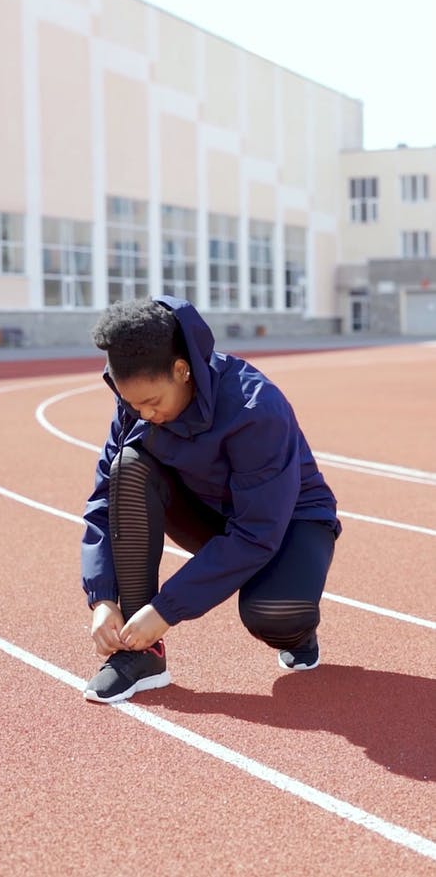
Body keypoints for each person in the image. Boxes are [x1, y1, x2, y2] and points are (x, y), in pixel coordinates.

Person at [81, 295, 341, 704]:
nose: (143, 414)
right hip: (210, 514)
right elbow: (103, 500)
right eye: (132, 404)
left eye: (152, 402)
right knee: (129, 467)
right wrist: (102, 599)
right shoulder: (135, 407)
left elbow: (257, 531)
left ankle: (298, 629)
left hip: (288, 521)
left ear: (182, 370)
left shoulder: (256, 408)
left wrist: (166, 609)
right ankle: (140, 655)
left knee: (274, 613)